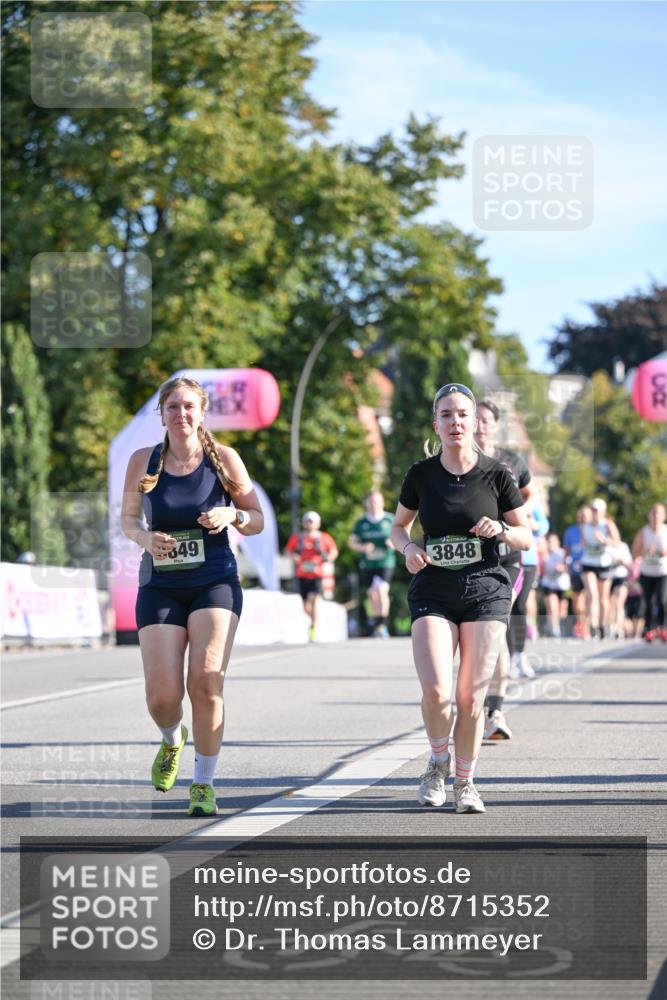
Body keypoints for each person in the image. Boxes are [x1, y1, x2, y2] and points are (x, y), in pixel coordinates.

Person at [120, 376, 263, 817]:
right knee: (163, 696)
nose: (181, 414)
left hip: (214, 581)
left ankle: (203, 783)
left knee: (205, 680)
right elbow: (128, 521)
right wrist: (144, 539)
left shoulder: (224, 459)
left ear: (202, 413)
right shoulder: (144, 461)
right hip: (161, 584)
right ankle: (171, 739)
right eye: (172, 407)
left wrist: (232, 513)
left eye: (189, 407)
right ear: (161, 414)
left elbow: (256, 519)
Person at [390, 382, 531, 814]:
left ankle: (465, 782)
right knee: (437, 692)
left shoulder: (497, 475)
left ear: (474, 422)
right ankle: (437, 762)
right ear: (437, 423)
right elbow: (398, 527)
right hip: (434, 588)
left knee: (471, 697)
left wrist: (501, 531)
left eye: (462, 415)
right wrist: (410, 549)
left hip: (486, 588)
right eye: (446, 415)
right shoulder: (421, 474)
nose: (455, 422)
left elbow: (526, 535)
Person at [475, 399, 533, 740]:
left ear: (495, 425)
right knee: (479, 637)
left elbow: (527, 495)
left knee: (496, 629)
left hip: (507, 559)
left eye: (486, 420)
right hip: (472, 561)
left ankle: (495, 710)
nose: (480, 426)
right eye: (476, 419)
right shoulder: (459, 462)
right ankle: (477, 704)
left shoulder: (512, 461)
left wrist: (513, 525)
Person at [348, 490, 396, 638]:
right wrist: (363, 547)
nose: (374, 504)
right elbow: (351, 542)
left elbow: (402, 537)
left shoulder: (390, 519)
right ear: (367, 503)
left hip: (385, 562)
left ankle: (381, 625)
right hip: (368, 564)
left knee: (382, 591)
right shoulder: (362, 522)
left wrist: (392, 543)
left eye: (377, 501)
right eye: (371, 501)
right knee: (373, 595)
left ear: (382, 502)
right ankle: (377, 625)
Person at [509, 501, 549, 675]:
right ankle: (510, 657)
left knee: (519, 606)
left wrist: (533, 524)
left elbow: (544, 527)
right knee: (507, 608)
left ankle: (520, 654)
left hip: (529, 562)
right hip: (509, 561)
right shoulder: (501, 496)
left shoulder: (532, 505)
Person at [285, 512, 338, 641]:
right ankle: (314, 619)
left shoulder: (324, 537)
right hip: (302, 575)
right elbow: (288, 551)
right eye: (307, 521)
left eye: (312, 521)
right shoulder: (297, 538)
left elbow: (334, 552)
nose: (310, 524)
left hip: (317, 575)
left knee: (313, 599)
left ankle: (313, 628)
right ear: (304, 523)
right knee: (305, 606)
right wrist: (294, 558)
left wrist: (326, 559)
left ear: (318, 523)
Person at [580, 498, 621, 639]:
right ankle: (594, 626)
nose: (594, 512)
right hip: (588, 563)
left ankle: (603, 625)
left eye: (597, 510)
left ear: (603, 512)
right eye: (592, 509)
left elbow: (617, 543)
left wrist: (604, 540)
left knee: (604, 598)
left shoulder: (608, 524)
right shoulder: (585, 525)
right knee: (592, 595)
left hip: (604, 564)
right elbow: (583, 542)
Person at [631, 503, 667, 642]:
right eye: (653, 513)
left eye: (658, 513)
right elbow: (634, 553)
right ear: (649, 516)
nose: (655, 516)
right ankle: (649, 629)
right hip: (647, 572)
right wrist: (646, 552)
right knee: (647, 602)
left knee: (662, 601)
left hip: (663, 572)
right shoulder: (643, 532)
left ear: (663, 515)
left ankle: (662, 628)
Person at [563, 507, 592, 638]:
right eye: (581, 515)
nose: (583, 518)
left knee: (589, 598)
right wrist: (566, 565)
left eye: (586, 515)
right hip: (575, 569)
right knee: (577, 600)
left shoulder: (593, 530)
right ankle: (580, 621)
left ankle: (586, 626)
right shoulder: (570, 531)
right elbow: (566, 550)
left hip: (591, 568)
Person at [540, 533, 571, 638]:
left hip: (562, 585)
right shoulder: (544, 554)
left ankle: (555, 624)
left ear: (557, 542)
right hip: (548, 584)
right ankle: (554, 628)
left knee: (562, 610)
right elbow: (540, 570)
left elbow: (569, 568)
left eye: (552, 542)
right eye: (548, 542)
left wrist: (561, 568)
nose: (550, 544)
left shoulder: (562, 554)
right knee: (552, 606)